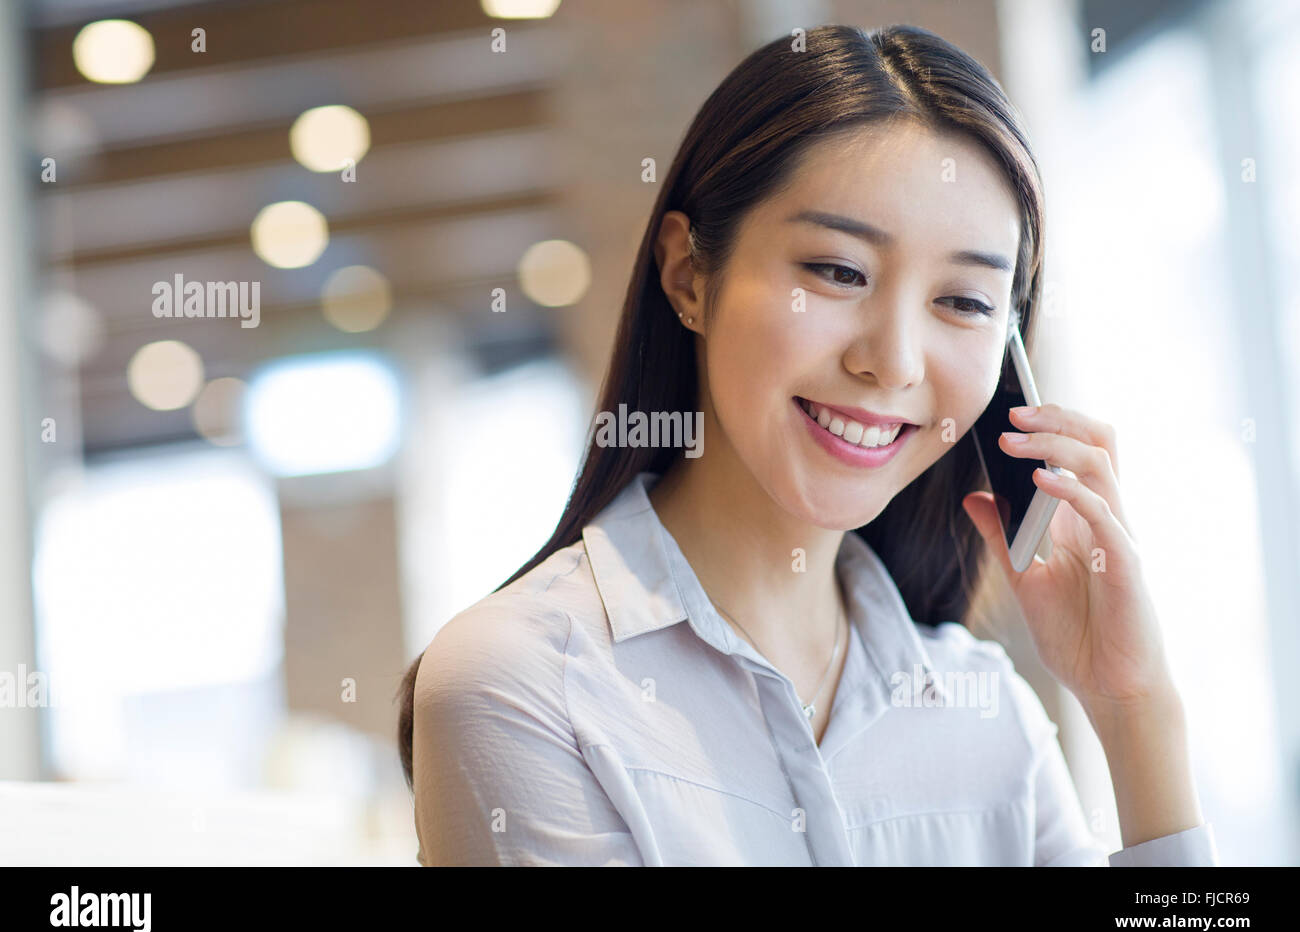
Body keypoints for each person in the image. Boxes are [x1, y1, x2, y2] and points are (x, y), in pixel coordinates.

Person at [396, 23, 1218, 866]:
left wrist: (1134, 710)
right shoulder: (523, 684)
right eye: (836, 271)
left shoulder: (989, 718)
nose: (892, 361)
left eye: (964, 301)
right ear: (688, 274)